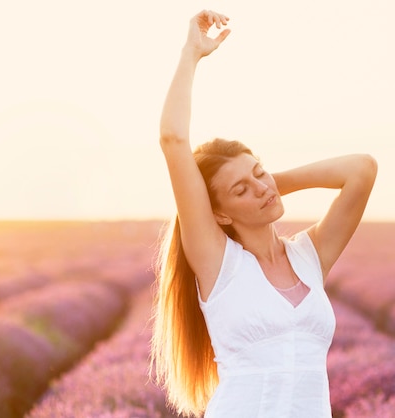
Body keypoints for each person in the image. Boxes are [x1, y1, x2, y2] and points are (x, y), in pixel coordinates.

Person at [150, 10, 377, 418]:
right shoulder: (219, 264)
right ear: (217, 214)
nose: (260, 187)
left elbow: (361, 169)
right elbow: (173, 138)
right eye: (241, 190)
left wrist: (267, 184)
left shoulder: (309, 256)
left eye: (259, 172)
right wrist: (192, 53)